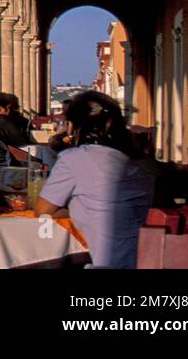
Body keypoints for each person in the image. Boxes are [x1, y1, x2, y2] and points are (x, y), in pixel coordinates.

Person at [33, 91, 155, 268]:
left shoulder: (74, 159)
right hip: (145, 258)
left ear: (75, 126)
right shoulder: (145, 163)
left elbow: (42, 210)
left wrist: (77, 207)